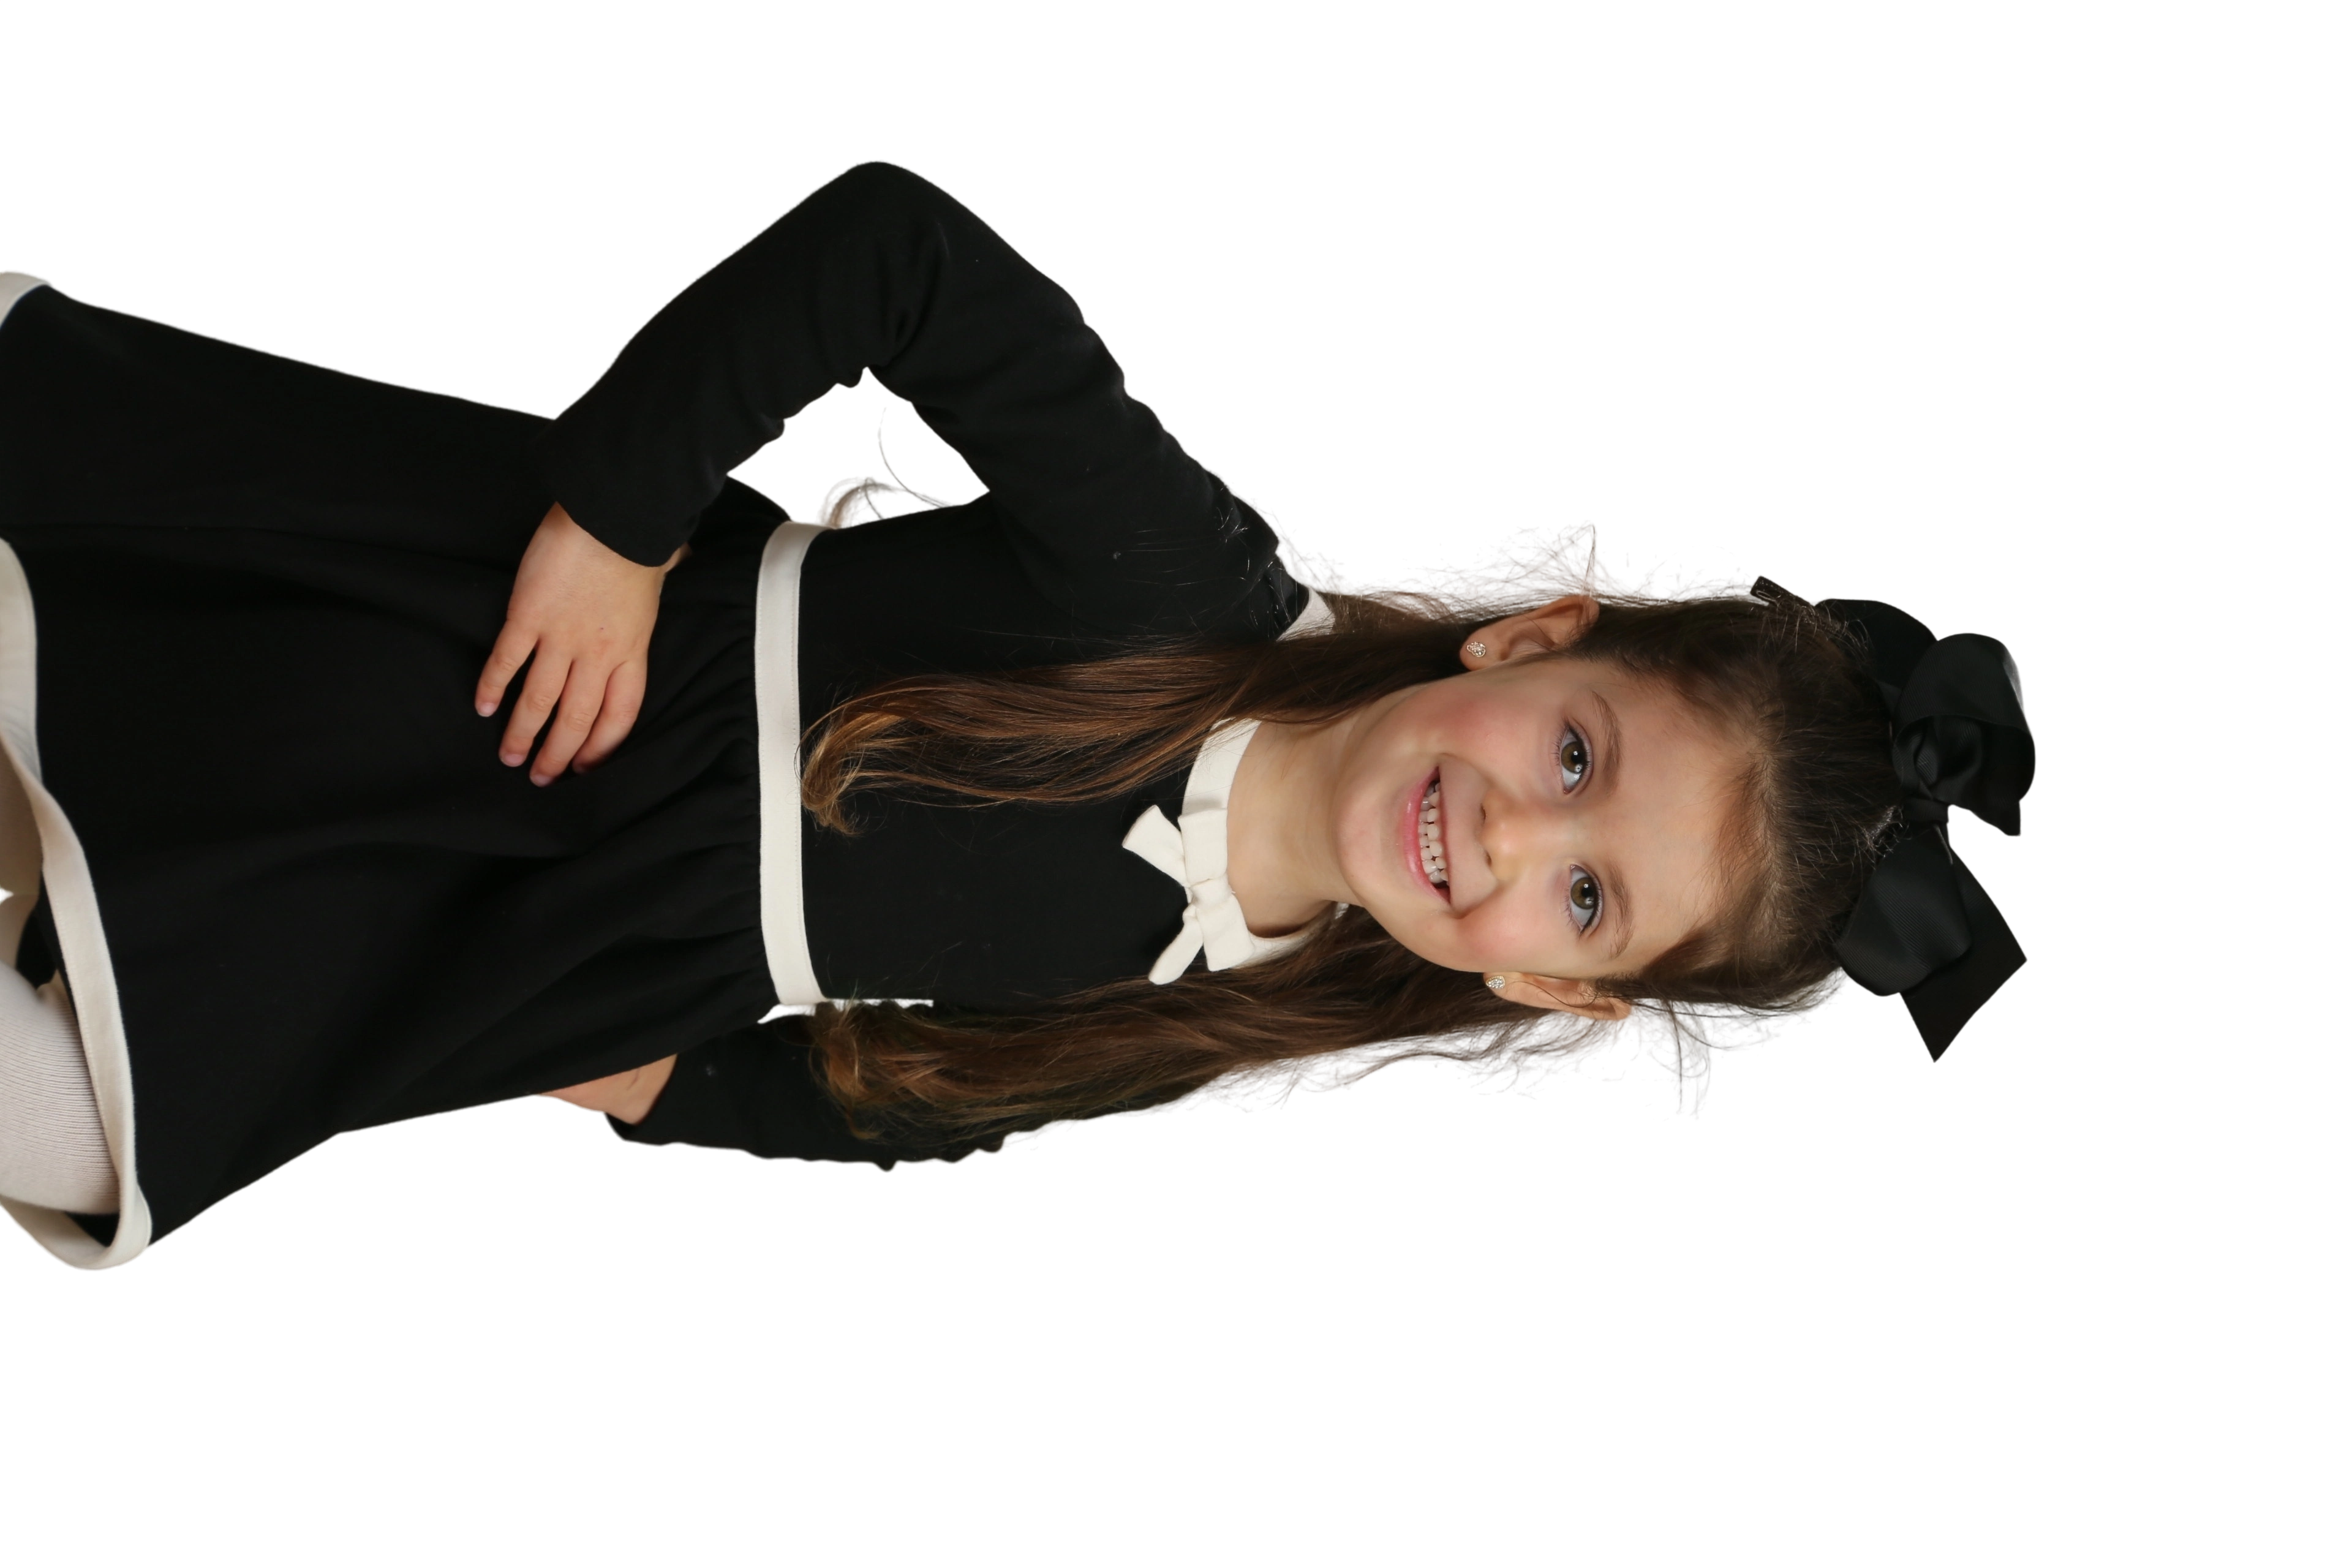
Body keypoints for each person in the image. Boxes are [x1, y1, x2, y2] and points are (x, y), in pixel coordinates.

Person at [0, 158, 2037, 1273]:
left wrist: (649, 1082)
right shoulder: (1188, 583)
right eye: (1577, 758)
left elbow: (903, 1110)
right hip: (527, 666)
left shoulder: (1242, 1011)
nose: (1513, 835)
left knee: (98, 1132)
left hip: (550, 942)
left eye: (1587, 898)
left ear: (1562, 992)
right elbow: (897, 251)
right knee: (111, 615)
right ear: (1534, 644)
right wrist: (622, 521)